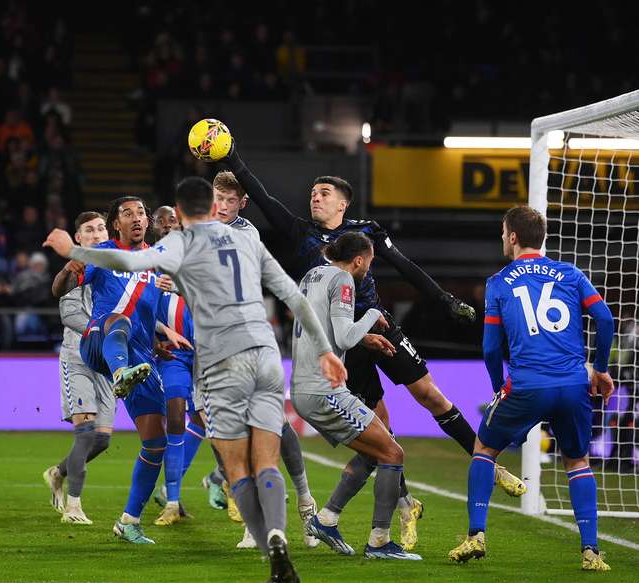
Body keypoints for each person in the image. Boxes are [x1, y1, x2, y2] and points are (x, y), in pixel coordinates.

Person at [214, 145, 526, 550]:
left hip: (380, 325)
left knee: (431, 396)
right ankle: (401, 508)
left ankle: (487, 464)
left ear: (343, 203)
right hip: (345, 344)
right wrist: (235, 159)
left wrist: (445, 301)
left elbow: (407, 267)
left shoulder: (366, 232)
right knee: (381, 431)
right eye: (313, 191)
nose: (315, 196)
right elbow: (265, 195)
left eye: (324, 192)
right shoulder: (300, 231)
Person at [44, 177, 347, 583]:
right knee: (266, 460)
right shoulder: (247, 241)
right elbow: (293, 296)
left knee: (225, 462)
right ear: (215, 206)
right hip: (263, 355)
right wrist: (327, 350)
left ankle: (253, 543)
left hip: (216, 362)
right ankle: (278, 534)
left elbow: (130, 266)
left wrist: (70, 248)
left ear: (181, 214)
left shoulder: (175, 246)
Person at [448, 206, 614, 572]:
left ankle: (476, 535)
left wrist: (497, 390)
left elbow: (491, 348)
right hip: (573, 384)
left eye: (503, 232)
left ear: (512, 237)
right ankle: (591, 551)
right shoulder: (571, 274)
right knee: (577, 461)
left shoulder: (499, 282)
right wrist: (599, 370)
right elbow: (604, 318)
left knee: (484, 448)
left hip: (526, 385)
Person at [49, 196, 191, 545]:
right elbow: (58, 290)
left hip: (140, 360)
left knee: (155, 443)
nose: (137, 218)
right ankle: (119, 373)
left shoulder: (159, 264)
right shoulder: (103, 255)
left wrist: (163, 335)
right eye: (128, 214)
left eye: (141, 212)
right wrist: (70, 265)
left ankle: (129, 520)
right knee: (118, 319)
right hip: (98, 343)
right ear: (116, 224)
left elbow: (152, 310)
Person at [294, 233, 420, 560]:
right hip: (325, 390)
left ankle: (327, 519)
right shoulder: (344, 280)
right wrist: (373, 316)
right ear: (359, 260)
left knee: (373, 451)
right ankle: (380, 540)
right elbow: (345, 337)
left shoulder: (312, 275)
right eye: (371, 263)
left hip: (305, 386)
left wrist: (367, 340)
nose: (368, 269)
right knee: (392, 452)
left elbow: (324, 328)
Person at [212, 171, 321, 550]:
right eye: (217, 199)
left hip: (250, 338)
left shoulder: (246, 234)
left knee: (261, 425)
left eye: (229, 201)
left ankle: (302, 504)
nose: (221, 207)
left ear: (242, 203)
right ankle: (288, 505)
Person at [43, 211, 116, 525]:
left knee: (102, 440)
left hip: (106, 363)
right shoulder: (76, 268)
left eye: (101, 228)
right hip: (79, 357)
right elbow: (67, 309)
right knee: (86, 432)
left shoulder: (118, 265)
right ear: (79, 239)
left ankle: (58, 473)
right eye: (90, 230)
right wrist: (101, 333)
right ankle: (74, 507)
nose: (98, 234)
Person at [149, 205, 205, 526]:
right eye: (162, 220)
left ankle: (171, 489)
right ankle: (171, 500)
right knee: (175, 416)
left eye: (174, 218)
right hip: (172, 353)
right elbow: (142, 308)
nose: (169, 223)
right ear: (155, 227)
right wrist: (158, 334)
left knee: (204, 421)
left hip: (204, 353)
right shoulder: (148, 263)